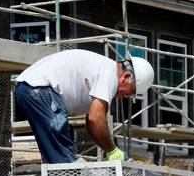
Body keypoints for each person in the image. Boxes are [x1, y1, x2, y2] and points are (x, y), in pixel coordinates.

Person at [14, 49, 154, 163]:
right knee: (63, 157)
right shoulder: (109, 74)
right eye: (132, 92)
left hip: (30, 89)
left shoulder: (103, 74)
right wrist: (113, 150)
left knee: (55, 153)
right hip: (40, 89)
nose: (127, 96)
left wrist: (109, 151)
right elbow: (95, 119)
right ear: (126, 77)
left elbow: (91, 125)